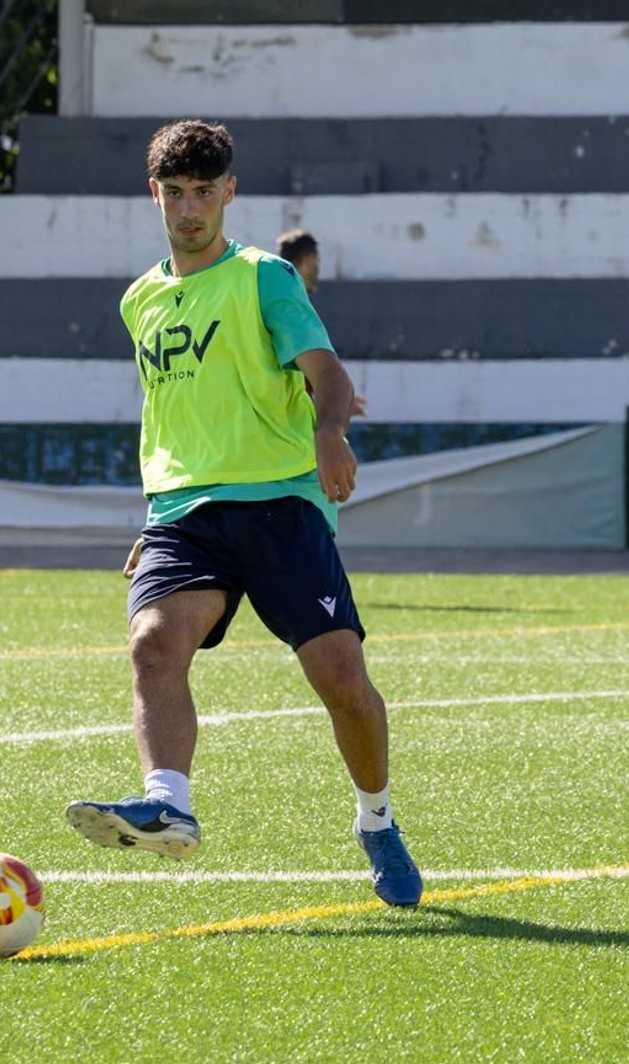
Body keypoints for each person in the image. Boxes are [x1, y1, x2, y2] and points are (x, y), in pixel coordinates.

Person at [65, 120, 422, 907]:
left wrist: (330, 435)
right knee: (154, 643)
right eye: (175, 193)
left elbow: (328, 375)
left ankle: (376, 817)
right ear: (153, 193)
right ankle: (169, 803)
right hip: (186, 512)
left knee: (341, 679)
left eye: (204, 192)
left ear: (229, 192)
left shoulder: (265, 278)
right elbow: (174, 416)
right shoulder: (140, 301)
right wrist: (156, 509)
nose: (189, 209)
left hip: (281, 503)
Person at [275, 228, 320, 295]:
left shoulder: (273, 295)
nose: (318, 269)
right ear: (308, 260)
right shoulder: (297, 303)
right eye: (317, 261)